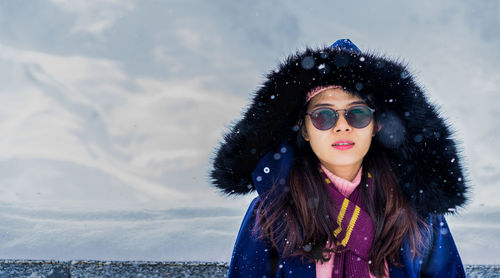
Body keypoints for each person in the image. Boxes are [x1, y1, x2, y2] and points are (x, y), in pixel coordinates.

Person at [210, 39, 468, 278]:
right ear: (305, 129)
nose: (342, 126)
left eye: (357, 114)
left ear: (375, 126)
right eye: (324, 116)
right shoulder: (271, 211)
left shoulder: (418, 212)